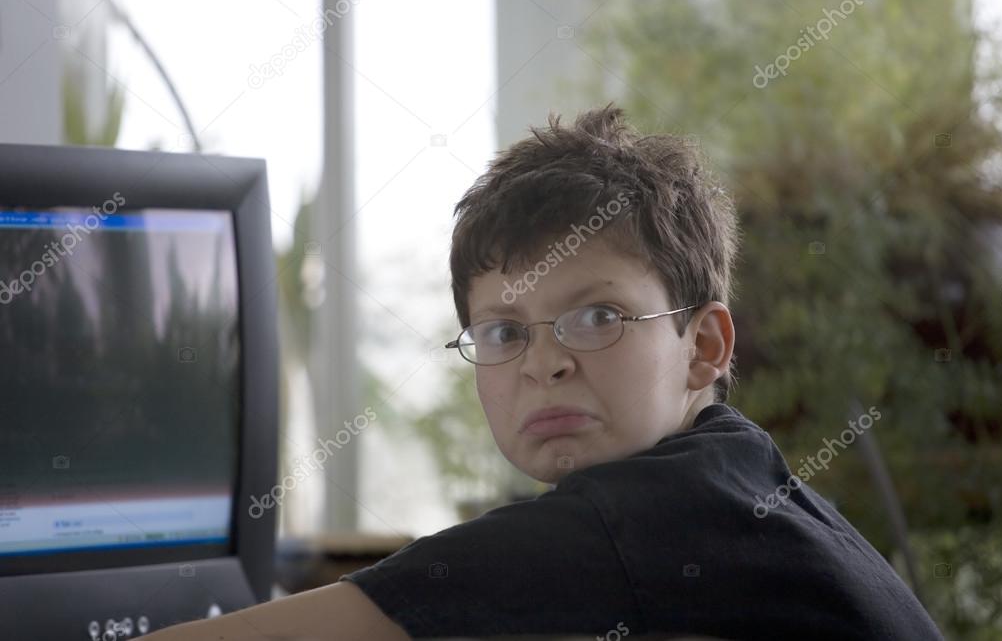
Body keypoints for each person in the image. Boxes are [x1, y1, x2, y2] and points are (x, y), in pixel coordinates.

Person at [146, 104, 944, 640]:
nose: (543, 363)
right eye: (501, 331)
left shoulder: (647, 515)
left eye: (596, 317)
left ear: (702, 346)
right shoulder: (737, 471)